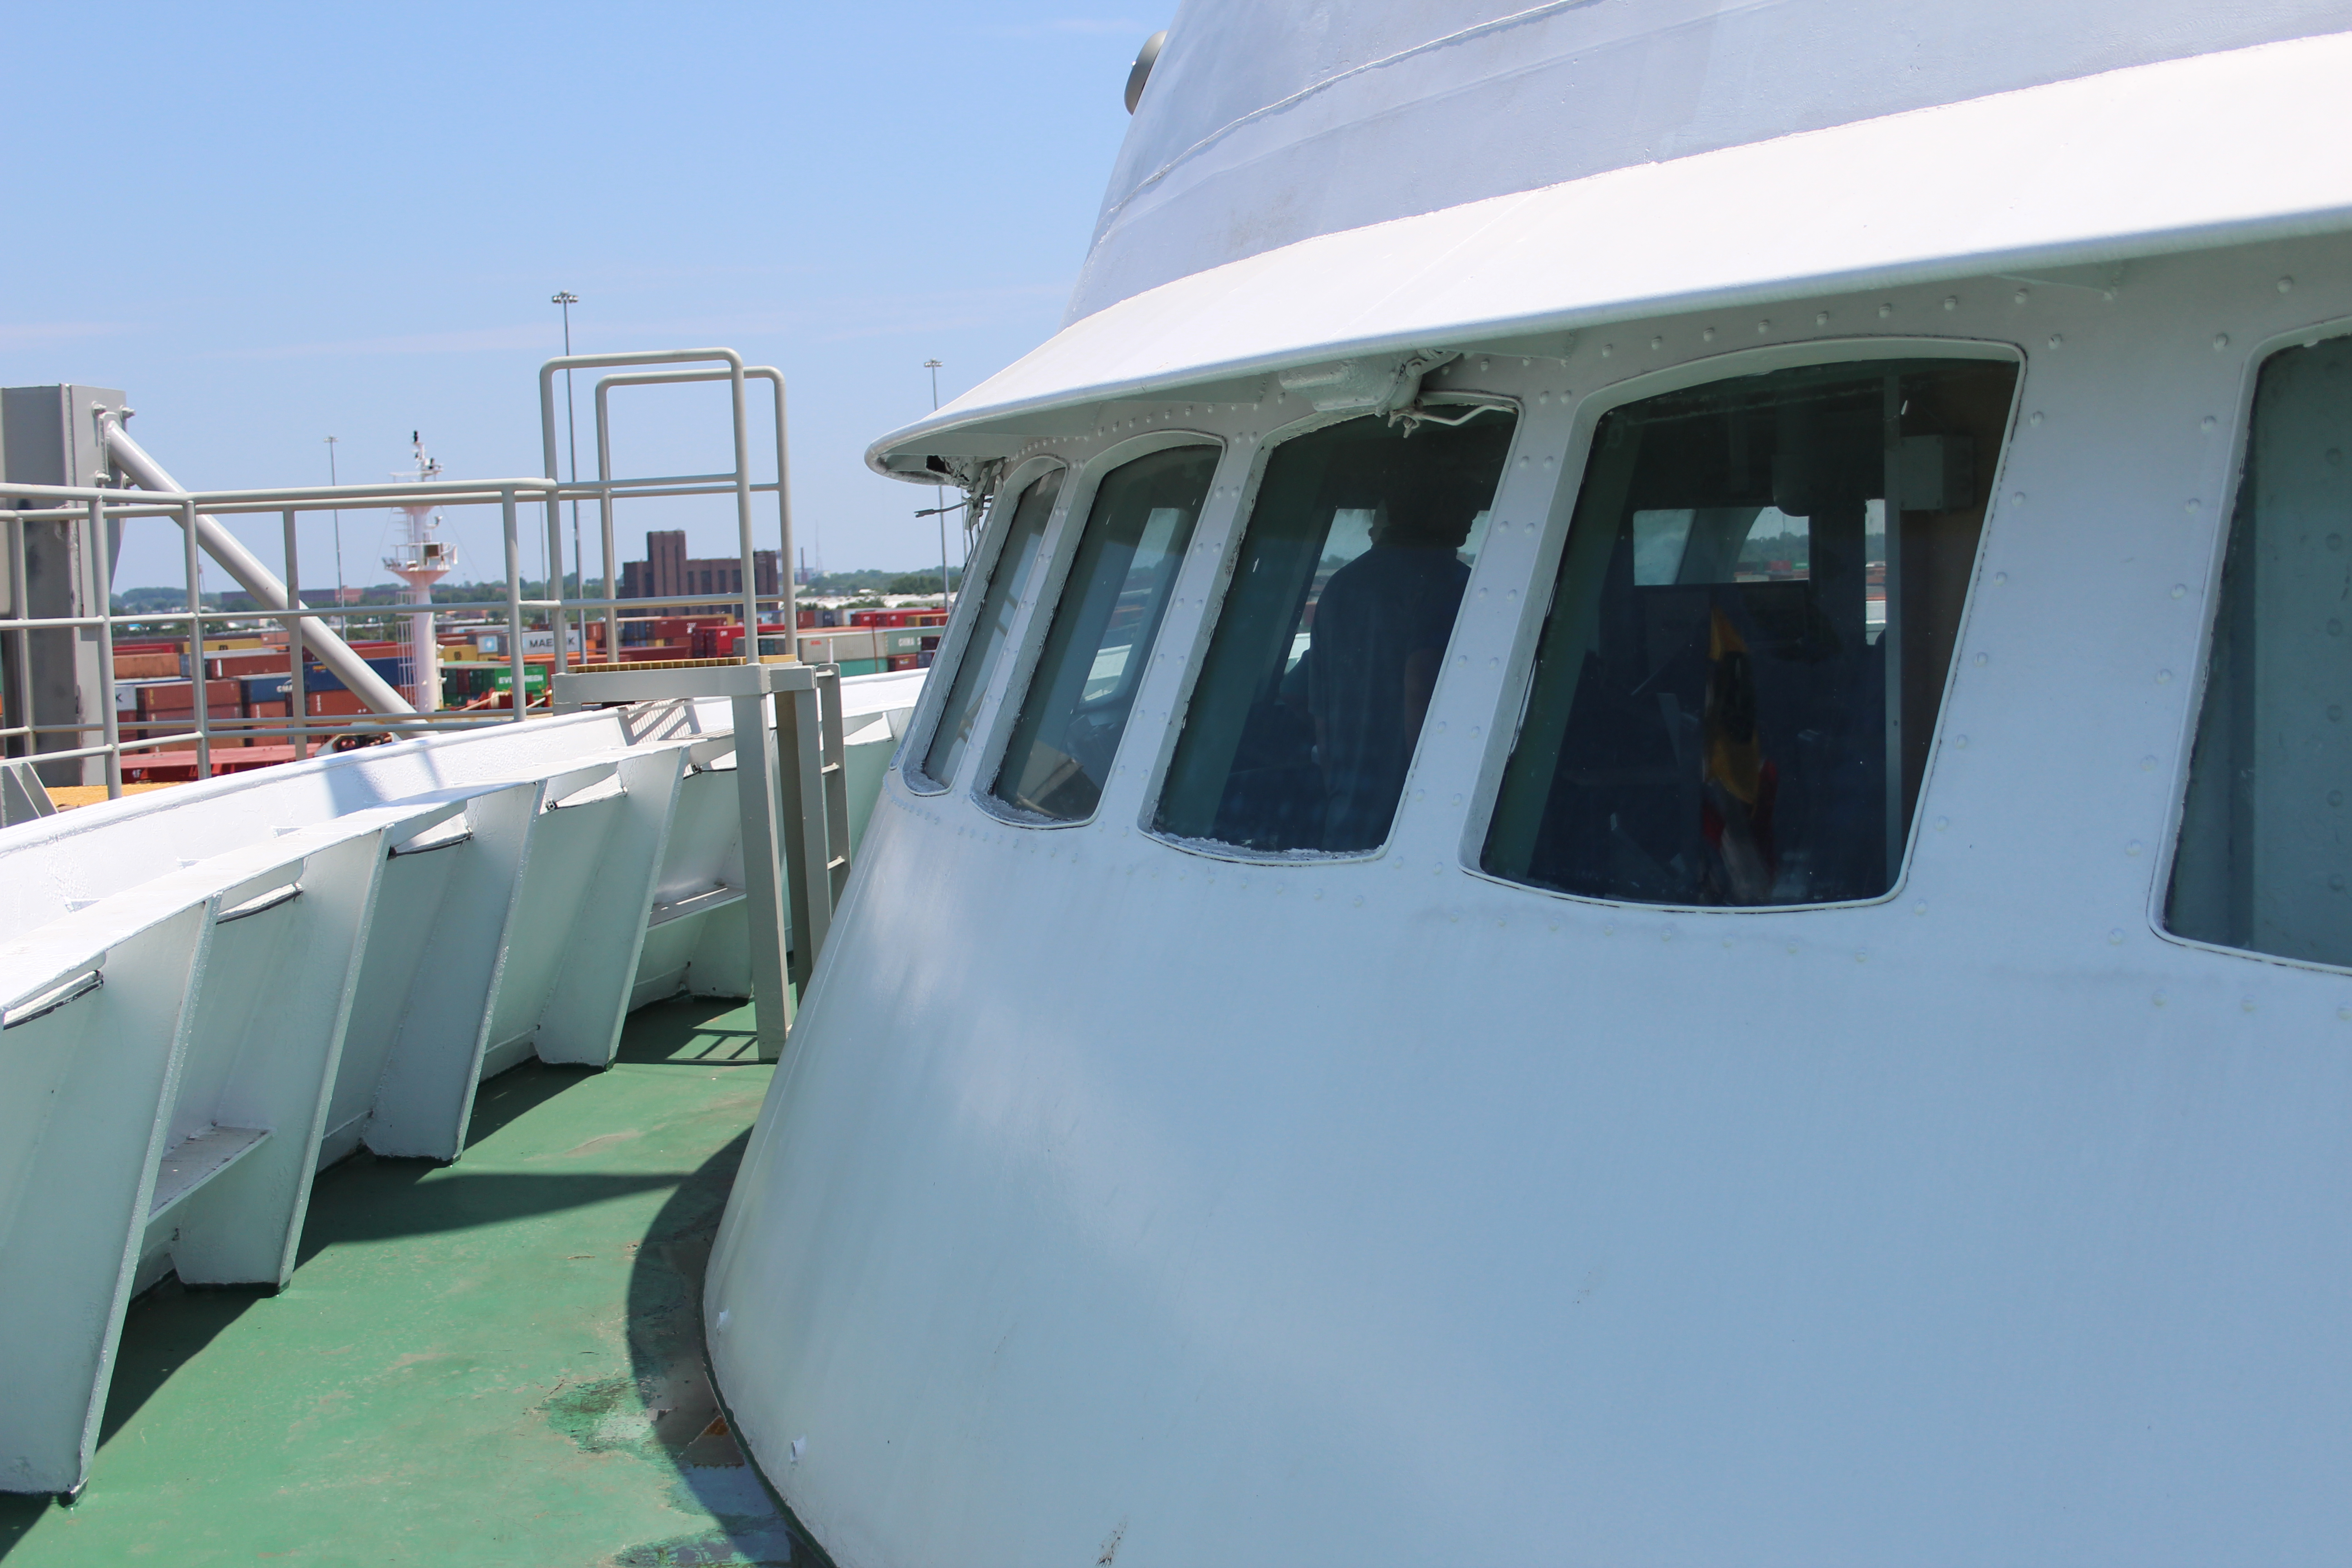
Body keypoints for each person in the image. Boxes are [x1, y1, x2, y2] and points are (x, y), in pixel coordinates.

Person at [1302, 486, 1478, 849]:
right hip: (1417, 827)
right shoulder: (1450, 582)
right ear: (1431, 510)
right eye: (1461, 500)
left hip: (1348, 821)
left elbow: (1322, 718)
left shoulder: (1340, 586)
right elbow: (1420, 686)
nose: (1472, 512)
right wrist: (1434, 808)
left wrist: (1341, 797)